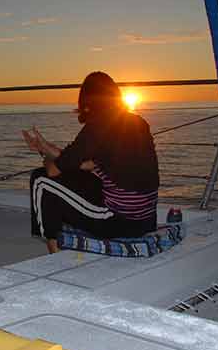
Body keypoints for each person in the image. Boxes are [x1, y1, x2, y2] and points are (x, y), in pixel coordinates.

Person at [23, 71, 159, 254]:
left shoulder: (98, 127)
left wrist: (46, 157)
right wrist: (44, 146)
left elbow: (54, 171)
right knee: (77, 176)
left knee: (40, 179)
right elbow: (85, 164)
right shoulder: (137, 123)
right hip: (146, 219)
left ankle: (54, 256)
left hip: (119, 220)